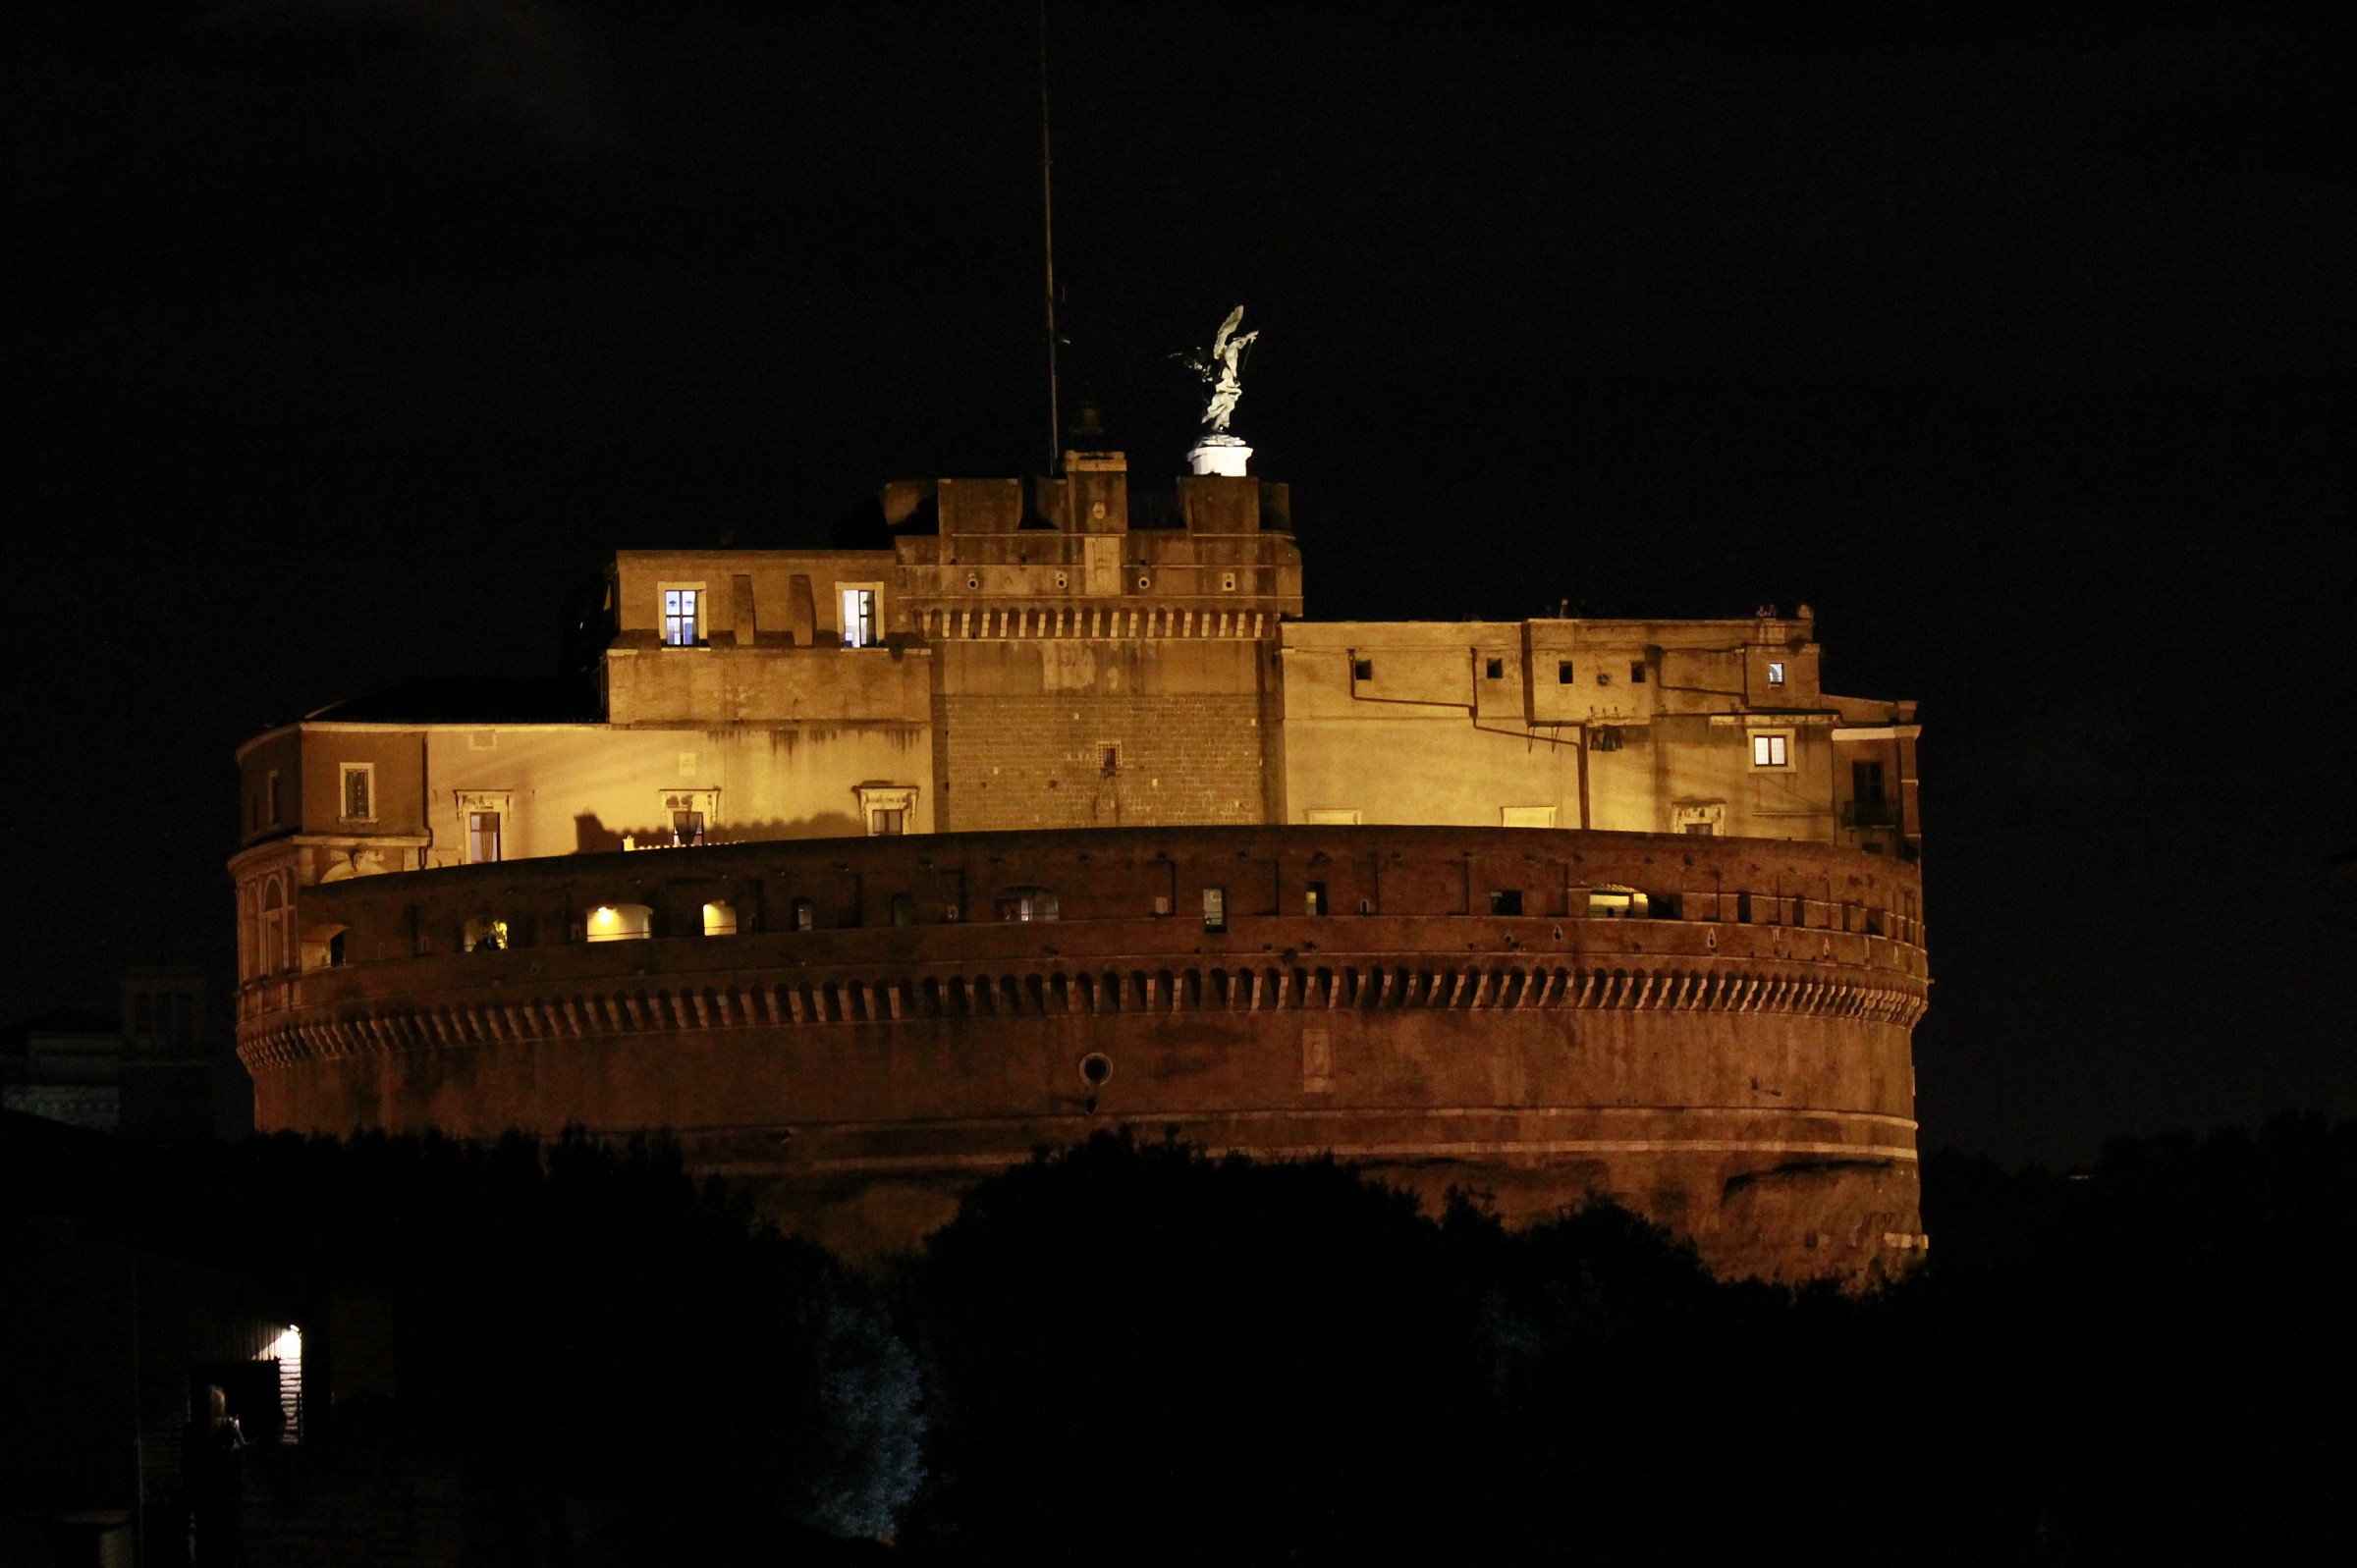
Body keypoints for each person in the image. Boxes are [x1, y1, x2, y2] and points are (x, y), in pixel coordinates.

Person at [181, 1384, 248, 1566]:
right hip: (223, 1496)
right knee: (223, 1547)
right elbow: (243, 1451)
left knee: (206, 1546)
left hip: (203, 1496)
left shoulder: (191, 1431)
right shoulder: (227, 1425)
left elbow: (186, 1465)